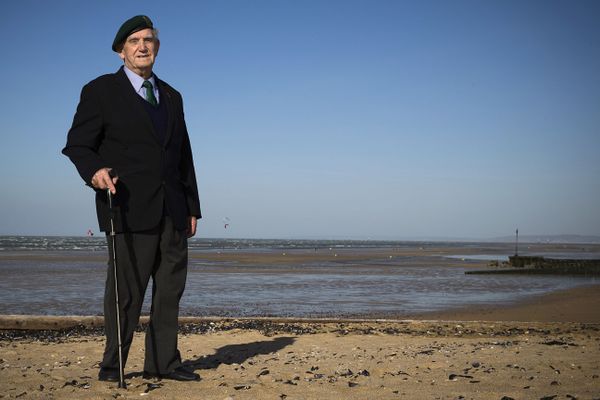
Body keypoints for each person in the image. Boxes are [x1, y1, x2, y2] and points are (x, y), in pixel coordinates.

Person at [62, 15, 201, 382]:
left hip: (172, 209)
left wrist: (192, 206)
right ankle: (114, 366)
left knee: (170, 292)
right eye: (135, 41)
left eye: (149, 40)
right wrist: (94, 171)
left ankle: (164, 363)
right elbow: (78, 144)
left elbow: (182, 154)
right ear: (121, 50)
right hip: (125, 207)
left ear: (156, 47)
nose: (143, 46)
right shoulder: (101, 91)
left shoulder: (172, 95)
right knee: (125, 295)